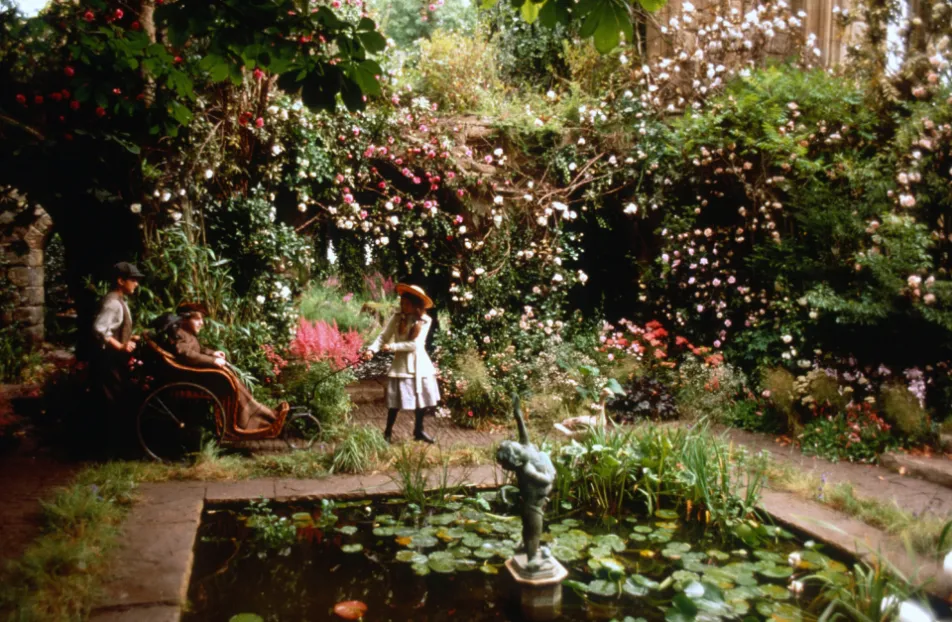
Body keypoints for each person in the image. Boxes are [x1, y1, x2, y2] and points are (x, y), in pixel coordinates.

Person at [168, 302, 289, 431]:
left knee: (236, 383)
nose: (201, 323)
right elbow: (185, 353)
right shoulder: (180, 333)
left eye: (202, 319)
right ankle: (251, 421)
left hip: (199, 375)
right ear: (185, 319)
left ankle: (260, 416)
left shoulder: (187, 334)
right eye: (197, 319)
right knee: (233, 384)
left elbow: (197, 350)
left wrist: (213, 353)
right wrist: (213, 361)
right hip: (194, 378)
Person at [363, 283, 440, 443]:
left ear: (415, 305)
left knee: (422, 399)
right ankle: (387, 432)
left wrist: (392, 346)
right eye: (401, 302)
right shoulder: (397, 317)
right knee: (395, 402)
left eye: (406, 303)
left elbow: (415, 345)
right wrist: (372, 350)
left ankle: (419, 430)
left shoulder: (425, 321)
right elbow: (383, 336)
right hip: (401, 365)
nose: (402, 305)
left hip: (420, 365)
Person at [92, 262, 144, 416]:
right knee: (112, 398)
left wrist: (130, 337)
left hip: (114, 360)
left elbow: (114, 327)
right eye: (133, 279)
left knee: (118, 394)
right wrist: (120, 346)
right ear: (121, 281)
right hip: (109, 359)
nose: (136, 283)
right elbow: (99, 328)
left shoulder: (120, 301)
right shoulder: (113, 303)